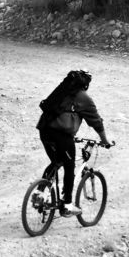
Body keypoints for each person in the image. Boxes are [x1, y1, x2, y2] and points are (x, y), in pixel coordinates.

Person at [36, 70, 111, 217]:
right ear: (86, 85)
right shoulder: (83, 98)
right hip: (61, 135)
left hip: (44, 130)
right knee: (69, 166)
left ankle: (39, 194)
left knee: (56, 162)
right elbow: (96, 122)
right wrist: (104, 141)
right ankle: (67, 205)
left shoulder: (60, 92)